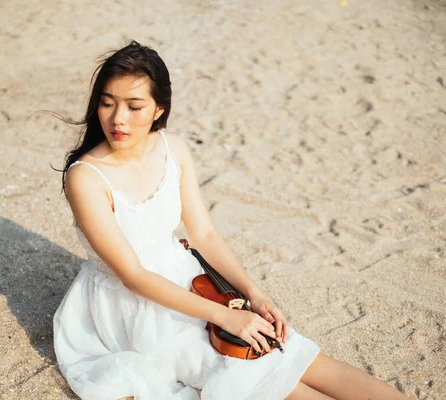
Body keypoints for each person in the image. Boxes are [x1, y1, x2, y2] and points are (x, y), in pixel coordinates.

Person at [53, 40, 409, 400]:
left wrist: (254, 294)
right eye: (107, 102)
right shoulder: (86, 177)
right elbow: (133, 276)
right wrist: (225, 317)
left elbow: (204, 234)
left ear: (159, 109)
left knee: (302, 358)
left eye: (134, 106)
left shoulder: (172, 147)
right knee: (261, 377)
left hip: (188, 280)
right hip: (132, 307)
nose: (118, 119)